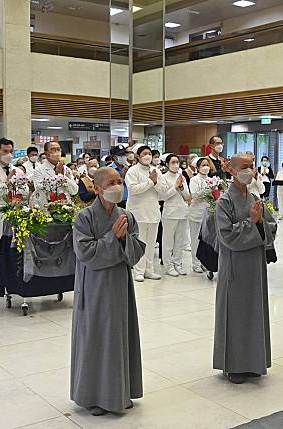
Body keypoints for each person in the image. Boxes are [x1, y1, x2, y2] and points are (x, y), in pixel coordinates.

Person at [70, 167, 145, 416]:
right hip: (95, 287)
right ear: (98, 188)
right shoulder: (84, 217)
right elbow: (85, 253)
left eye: (120, 181)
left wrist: (124, 240)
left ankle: (119, 391)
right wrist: (113, 238)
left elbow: (137, 251)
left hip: (120, 287)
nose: (117, 186)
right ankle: (95, 396)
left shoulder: (126, 215)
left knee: (120, 337)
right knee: (97, 337)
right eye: (111, 182)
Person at [213, 153, 277, 384]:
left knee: (253, 309)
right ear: (231, 170)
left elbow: (271, 225)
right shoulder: (224, 202)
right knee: (235, 312)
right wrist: (253, 223)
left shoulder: (255, 197)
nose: (250, 171)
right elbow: (226, 235)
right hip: (235, 266)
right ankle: (234, 364)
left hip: (255, 264)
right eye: (244, 167)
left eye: (252, 167)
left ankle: (253, 361)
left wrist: (259, 223)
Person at [125, 146, 168, 282]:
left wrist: (154, 182)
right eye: (144, 154)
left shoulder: (156, 171)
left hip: (153, 212)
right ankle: (139, 270)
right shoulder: (132, 171)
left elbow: (164, 190)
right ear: (138, 156)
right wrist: (151, 181)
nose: (148, 156)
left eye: (149, 153)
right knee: (140, 243)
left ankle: (149, 269)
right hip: (138, 213)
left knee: (150, 243)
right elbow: (133, 190)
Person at [159, 154, 190, 277]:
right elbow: (163, 196)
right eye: (173, 162)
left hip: (182, 212)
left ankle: (178, 263)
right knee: (168, 241)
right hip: (169, 213)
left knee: (179, 241)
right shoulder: (163, 177)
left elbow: (187, 197)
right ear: (167, 164)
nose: (176, 164)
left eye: (177, 162)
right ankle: (168, 265)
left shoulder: (181, 177)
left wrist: (181, 186)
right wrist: (175, 187)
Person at [188, 157, 211, 273]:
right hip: (196, 213)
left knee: (206, 240)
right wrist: (209, 190)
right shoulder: (194, 180)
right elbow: (195, 195)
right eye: (203, 165)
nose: (206, 167)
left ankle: (204, 262)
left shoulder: (212, 179)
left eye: (207, 165)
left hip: (207, 213)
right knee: (195, 239)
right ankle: (195, 263)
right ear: (197, 168)